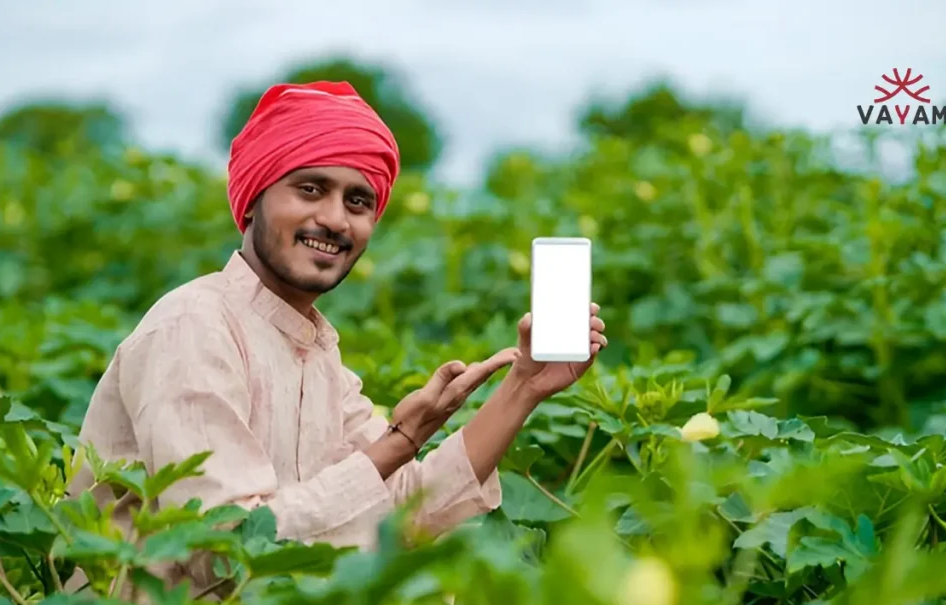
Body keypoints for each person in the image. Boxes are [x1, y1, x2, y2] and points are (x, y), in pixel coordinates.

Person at [68, 81, 607, 577]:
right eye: (309, 189)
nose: (334, 219)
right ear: (253, 200)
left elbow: (406, 513)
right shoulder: (194, 328)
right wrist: (400, 441)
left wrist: (525, 387)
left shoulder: (317, 352)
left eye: (358, 201)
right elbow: (227, 549)